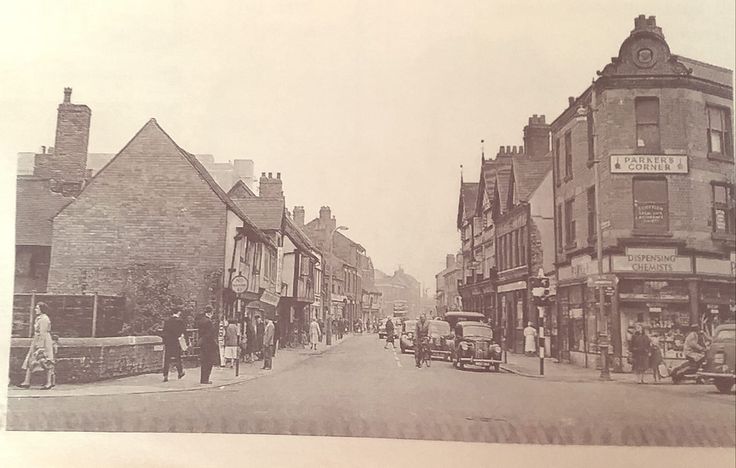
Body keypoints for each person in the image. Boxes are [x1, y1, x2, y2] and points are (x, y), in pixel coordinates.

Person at [18, 302, 56, 390]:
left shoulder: (44, 319)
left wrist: (41, 347)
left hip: (43, 342)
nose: (35, 309)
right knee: (31, 359)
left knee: (45, 360)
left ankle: (49, 382)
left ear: (42, 309)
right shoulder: (39, 318)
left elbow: (42, 333)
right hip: (37, 340)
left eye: (37, 308)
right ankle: (26, 382)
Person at [162, 309, 186, 382]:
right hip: (176, 342)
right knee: (178, 358)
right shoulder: (180, 321)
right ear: (178, 312)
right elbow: (184, 332)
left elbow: (164, 332)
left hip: (169, 342)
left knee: (167, 359)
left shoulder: (167, 321)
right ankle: (180, 372)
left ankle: (165, 375)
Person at [196, 306, 218, 384]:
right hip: (209, 344)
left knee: (204, 362)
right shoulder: (209, 322)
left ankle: (203, 379)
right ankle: (206, 379)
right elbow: (210, 334)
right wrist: (215, 344)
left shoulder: (201, 320)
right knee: (209, 362)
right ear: (210, 313)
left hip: (202, 343)